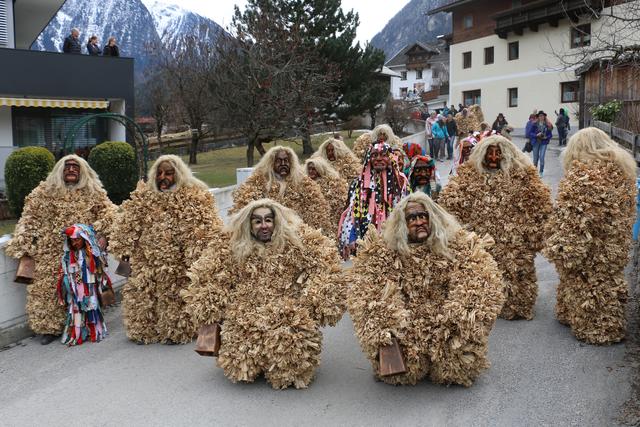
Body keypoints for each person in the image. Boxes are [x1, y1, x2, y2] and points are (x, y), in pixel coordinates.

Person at [182, 199, 346, 389]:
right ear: (249, 225)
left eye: (268, 220)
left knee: (290, 364)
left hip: (286, 314)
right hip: (245, 314)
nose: (264, 226)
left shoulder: (297, 242)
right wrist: (209, 307)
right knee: (240, 368)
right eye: (258, 221)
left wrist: (314, 299)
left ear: (277, 222)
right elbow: (210, 275)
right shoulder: (232, 246)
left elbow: (324, 264)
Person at [348, 192, 504, 386]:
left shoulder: (456, 244)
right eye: (412, 218)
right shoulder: (385, 251)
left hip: (446, 323)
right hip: (409, 326)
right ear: (403, 224)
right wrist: (388, 320)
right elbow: (368, 285)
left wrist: (459, 313)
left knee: (455, 371)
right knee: (402, 373)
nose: (419, 222)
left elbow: (479, 274)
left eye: (424, 216)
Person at [109, 155, 223, 344]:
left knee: (174, 297)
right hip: (145, 260)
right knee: (142, 295)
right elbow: (126, 225)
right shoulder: (144, 197)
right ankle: (143, 331)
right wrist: (124, 254)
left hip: (177, 262)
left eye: (169, 173)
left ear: (179, 175)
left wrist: (197, 261)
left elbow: (205, 231)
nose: (163, 177)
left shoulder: (195, 197)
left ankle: (175, 332)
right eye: (159, 173)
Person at [6, 155, 116, 345]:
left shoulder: (93, 192)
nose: (71, 169)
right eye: (67, 166)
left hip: (81, 252)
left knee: (83, 288)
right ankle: (49, 328)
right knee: (47, 289)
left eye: (75, 167)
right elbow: (29, 218)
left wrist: (104, 234)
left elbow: (109, 214)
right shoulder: (44, 192)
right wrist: (23, 244)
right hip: (50, 251)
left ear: (82, 171)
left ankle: (84, 324)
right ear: (59, 170)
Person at [439, 135, 553, 320]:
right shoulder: (468, 176)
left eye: (497, 154)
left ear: (506, 156)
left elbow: (540, 205)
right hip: (481, 241)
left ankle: (515, 305)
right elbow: (450, 206)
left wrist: (535, 233)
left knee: (516, 275)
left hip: (514, 243)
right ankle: (484, 304)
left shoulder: (522, 176)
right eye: (489, 154)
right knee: (482, 273)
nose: (493, 158)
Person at [544, 128, 637, 345]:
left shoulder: (581, 178)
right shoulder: (623, 172)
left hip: (589, 250)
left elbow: (572, 222)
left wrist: (559, 248)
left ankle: (596, 328)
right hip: (614, 246)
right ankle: (605, 322)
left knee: (587, 284)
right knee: (607, 282)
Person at [230, 146, 332, 235]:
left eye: (286, 160)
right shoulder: (257, 182)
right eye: (279, 161)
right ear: (271, 163)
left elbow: (318, 209)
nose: (283, 164)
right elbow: (242, 209)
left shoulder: (303, 182)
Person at [338, 142, 409, 260]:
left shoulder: (400, 181)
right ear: (369, 159)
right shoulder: (359, 184)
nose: (379, 159)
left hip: (393, 238)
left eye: (383, 155)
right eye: (374, 155)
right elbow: (352, 213)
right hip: (366, 240)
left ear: (390, 158)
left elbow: (406, 210)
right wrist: (352, 237)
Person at [58, 224, 113, 346]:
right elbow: (65, 271)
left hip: (89, 287)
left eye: (77, 240)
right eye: (72, 241)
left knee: (91, 304)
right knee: (76, 308)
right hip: (75, 288)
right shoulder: (68, 256)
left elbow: (99, 268)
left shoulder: (91, 254)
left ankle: (95, 331)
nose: (75, 243)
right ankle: (78, 333)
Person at [304, 157, 348, 229]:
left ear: (320, 170)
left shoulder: (331, 184)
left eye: (313, 169)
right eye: (309, 169)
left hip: (330, 221)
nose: (311, 171)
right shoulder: (306, 185)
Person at [527, 111, 553, 176]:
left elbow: (550, 135)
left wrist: (546, 137)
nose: (541, 117)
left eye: (542, 116)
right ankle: (535, 172)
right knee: (535, 158)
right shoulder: (534, 124)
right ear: (538, 117)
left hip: (543, 143)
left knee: (542, 157)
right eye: (540, 116)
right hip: (536, 142)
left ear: (544, 117)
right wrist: (536, 135)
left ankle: (541, 172)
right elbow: (530, 133)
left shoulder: (547, 125)